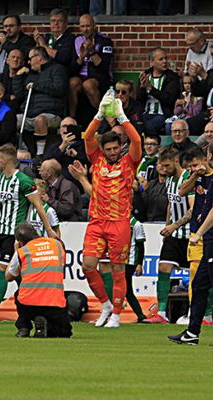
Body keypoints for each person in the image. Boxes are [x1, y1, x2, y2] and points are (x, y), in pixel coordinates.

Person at [0, 144, 56, 324]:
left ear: (5, 160)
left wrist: (49, 229)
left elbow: (38, 207)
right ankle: (35, 312)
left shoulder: (24, 181)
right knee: (21, 276)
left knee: (3, 271)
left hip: (17, 235)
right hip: (3, 233)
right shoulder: (1, 179)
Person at [80, 91, 142, 329]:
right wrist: (98, 115)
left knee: (118, 269)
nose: (113, 152)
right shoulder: (97, 160)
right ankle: (105, 304)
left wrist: (122, 117)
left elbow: (136, 141)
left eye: (116, 148)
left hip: (119, 222)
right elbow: (87, 136)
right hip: (96, 221)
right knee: (87, 265)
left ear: (120, 148)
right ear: (103, 150)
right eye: (110, 149)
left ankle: (116, 313)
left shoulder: (129, 162)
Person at [169, 150, 213, 344]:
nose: (194, 169)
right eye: (190, 167)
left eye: (196, 165)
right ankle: (192, 332)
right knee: (198, 285)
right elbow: (181, 192)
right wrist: (194, 174)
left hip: (208, 235)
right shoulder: (196, 179)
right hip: (202, 235)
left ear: (207, 159)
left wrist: (201, 233)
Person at [143, 147, 190, 324]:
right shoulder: (169, 180)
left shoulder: (188, 179)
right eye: (162, 165)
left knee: (196, 275)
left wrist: (174, 226)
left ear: (176, 161)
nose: (164, 169)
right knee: (163, 269)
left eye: (167, 165)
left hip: (190, 234)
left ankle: (199, 314)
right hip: (174, 234)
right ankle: (161, 313)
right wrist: (167, 225)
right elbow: (171, 204)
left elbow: (193, 209)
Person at [5, 222, 72, 338]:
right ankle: (45, 327)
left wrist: (16, 250)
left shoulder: (22, 251)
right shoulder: (57, 245)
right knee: (64, 332)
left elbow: (8, 276)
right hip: (53, 303)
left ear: (20, 242)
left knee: (19, 294)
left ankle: (24, 326)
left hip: (28, 305)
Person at [12, 46, 67, 156]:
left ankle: (39, 155)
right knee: (11, 119)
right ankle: (20, 149)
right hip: (29, 114)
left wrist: (37, 85)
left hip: (51, 113)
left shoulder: (57, 69)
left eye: (30, 58)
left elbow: (59, 89)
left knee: (40, 120)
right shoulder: (30, 75)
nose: (28, 62)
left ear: (39, 58)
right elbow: (20, 95)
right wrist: (18, 76)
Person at [68, 14, 114, 119]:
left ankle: (103, 118)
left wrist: (92, 52)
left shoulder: (105, 41)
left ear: (94, 26)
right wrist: (82, 56)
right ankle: (72, 120)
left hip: (100, 77)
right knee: (72, 83)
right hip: (81, 76)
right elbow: (72, 68)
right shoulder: (77, 41)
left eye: (88, 26)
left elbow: (104, 69)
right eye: (82, 26)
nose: (85, 29)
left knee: (88, 85)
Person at [137, 47, 181, 136]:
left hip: (162, 115)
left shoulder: (172, 77)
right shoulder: (145, 75)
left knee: (148, 127)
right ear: (152, 62)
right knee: (134, 125)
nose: (165, 61)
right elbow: (138, 100)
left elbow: (169, 99)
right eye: (161, 59)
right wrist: (142, 88)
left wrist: (150, 89)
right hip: (145, 113)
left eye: (165, 58)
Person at [43, 116, 90, 192]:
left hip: (77, 186)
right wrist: (62, 147)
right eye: (64, 126)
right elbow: (46, 164)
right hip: (55, 186)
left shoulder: (84, 145)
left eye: (70, 127)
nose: (66, 129)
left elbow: (89, 163)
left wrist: (77, 155)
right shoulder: (54, 146)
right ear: (60, 130)